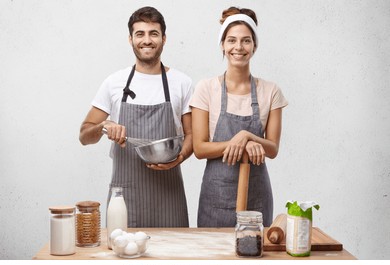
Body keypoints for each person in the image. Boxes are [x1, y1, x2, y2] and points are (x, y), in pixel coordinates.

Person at [79, 6, 193, 227]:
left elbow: (192, 136)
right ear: (130, 39)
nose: (147, 40)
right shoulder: (114, 82)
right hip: (126, 196)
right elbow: (84, 135)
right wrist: (103, 125)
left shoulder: (182, 82)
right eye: (140, 34)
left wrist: (178, 158)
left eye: (153, 33)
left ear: (164, 39)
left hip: (169, 194)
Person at [190, 7, 288, 227]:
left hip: (257, 197)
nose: (238, 47)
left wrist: (247, 136)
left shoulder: (271, 91)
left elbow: (272, 149)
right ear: (223, 45)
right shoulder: (206, 88)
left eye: (246, 41)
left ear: (254, 46)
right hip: (215, 197)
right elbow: (199, 148)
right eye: (232, 40)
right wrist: (240, 143)